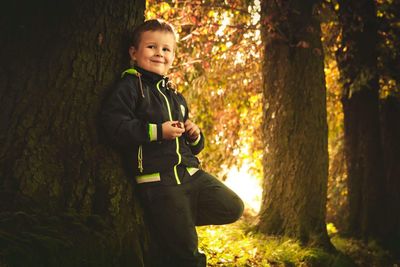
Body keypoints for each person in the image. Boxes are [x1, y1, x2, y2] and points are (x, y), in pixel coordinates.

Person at [101, 19, 244, 267]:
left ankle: (172, 223)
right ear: (133, 53)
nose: (159, 53)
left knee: (233, 207)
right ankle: (172, 225)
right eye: (151, 47)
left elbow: (194, 147)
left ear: (173, 56)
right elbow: (114, 126)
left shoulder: (174, 95)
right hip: (160, 181)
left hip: (190, 175)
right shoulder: (131, 86)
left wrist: (194, 135)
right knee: (188, 255)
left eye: (166, 49)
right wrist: (158, 131)